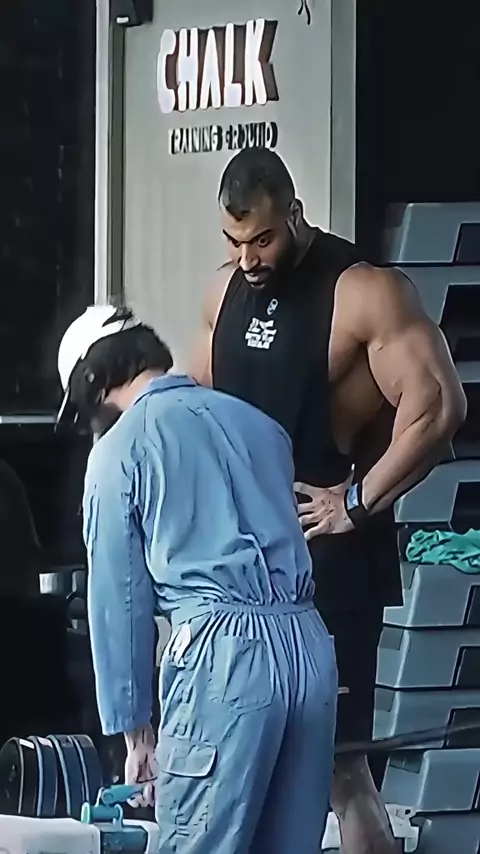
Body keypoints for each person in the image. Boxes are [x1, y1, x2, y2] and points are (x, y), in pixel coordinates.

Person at [189, 147, 467, 854]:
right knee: (242, 760)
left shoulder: (364, 291)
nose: (248, 258)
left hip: (331, 571)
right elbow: (199, 416)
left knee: (342, 768)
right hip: (244, 577)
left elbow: (438, 406)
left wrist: (358, 502)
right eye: (234, 241)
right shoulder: (222, 293)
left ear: (295, 213)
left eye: (262, 239)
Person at [56, 304, 338, 854]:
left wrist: (136, 732)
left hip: (222, 659)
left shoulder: (120, 450)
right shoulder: (261, 427)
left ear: (92, 380)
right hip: (308, 646)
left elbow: (120, 601)